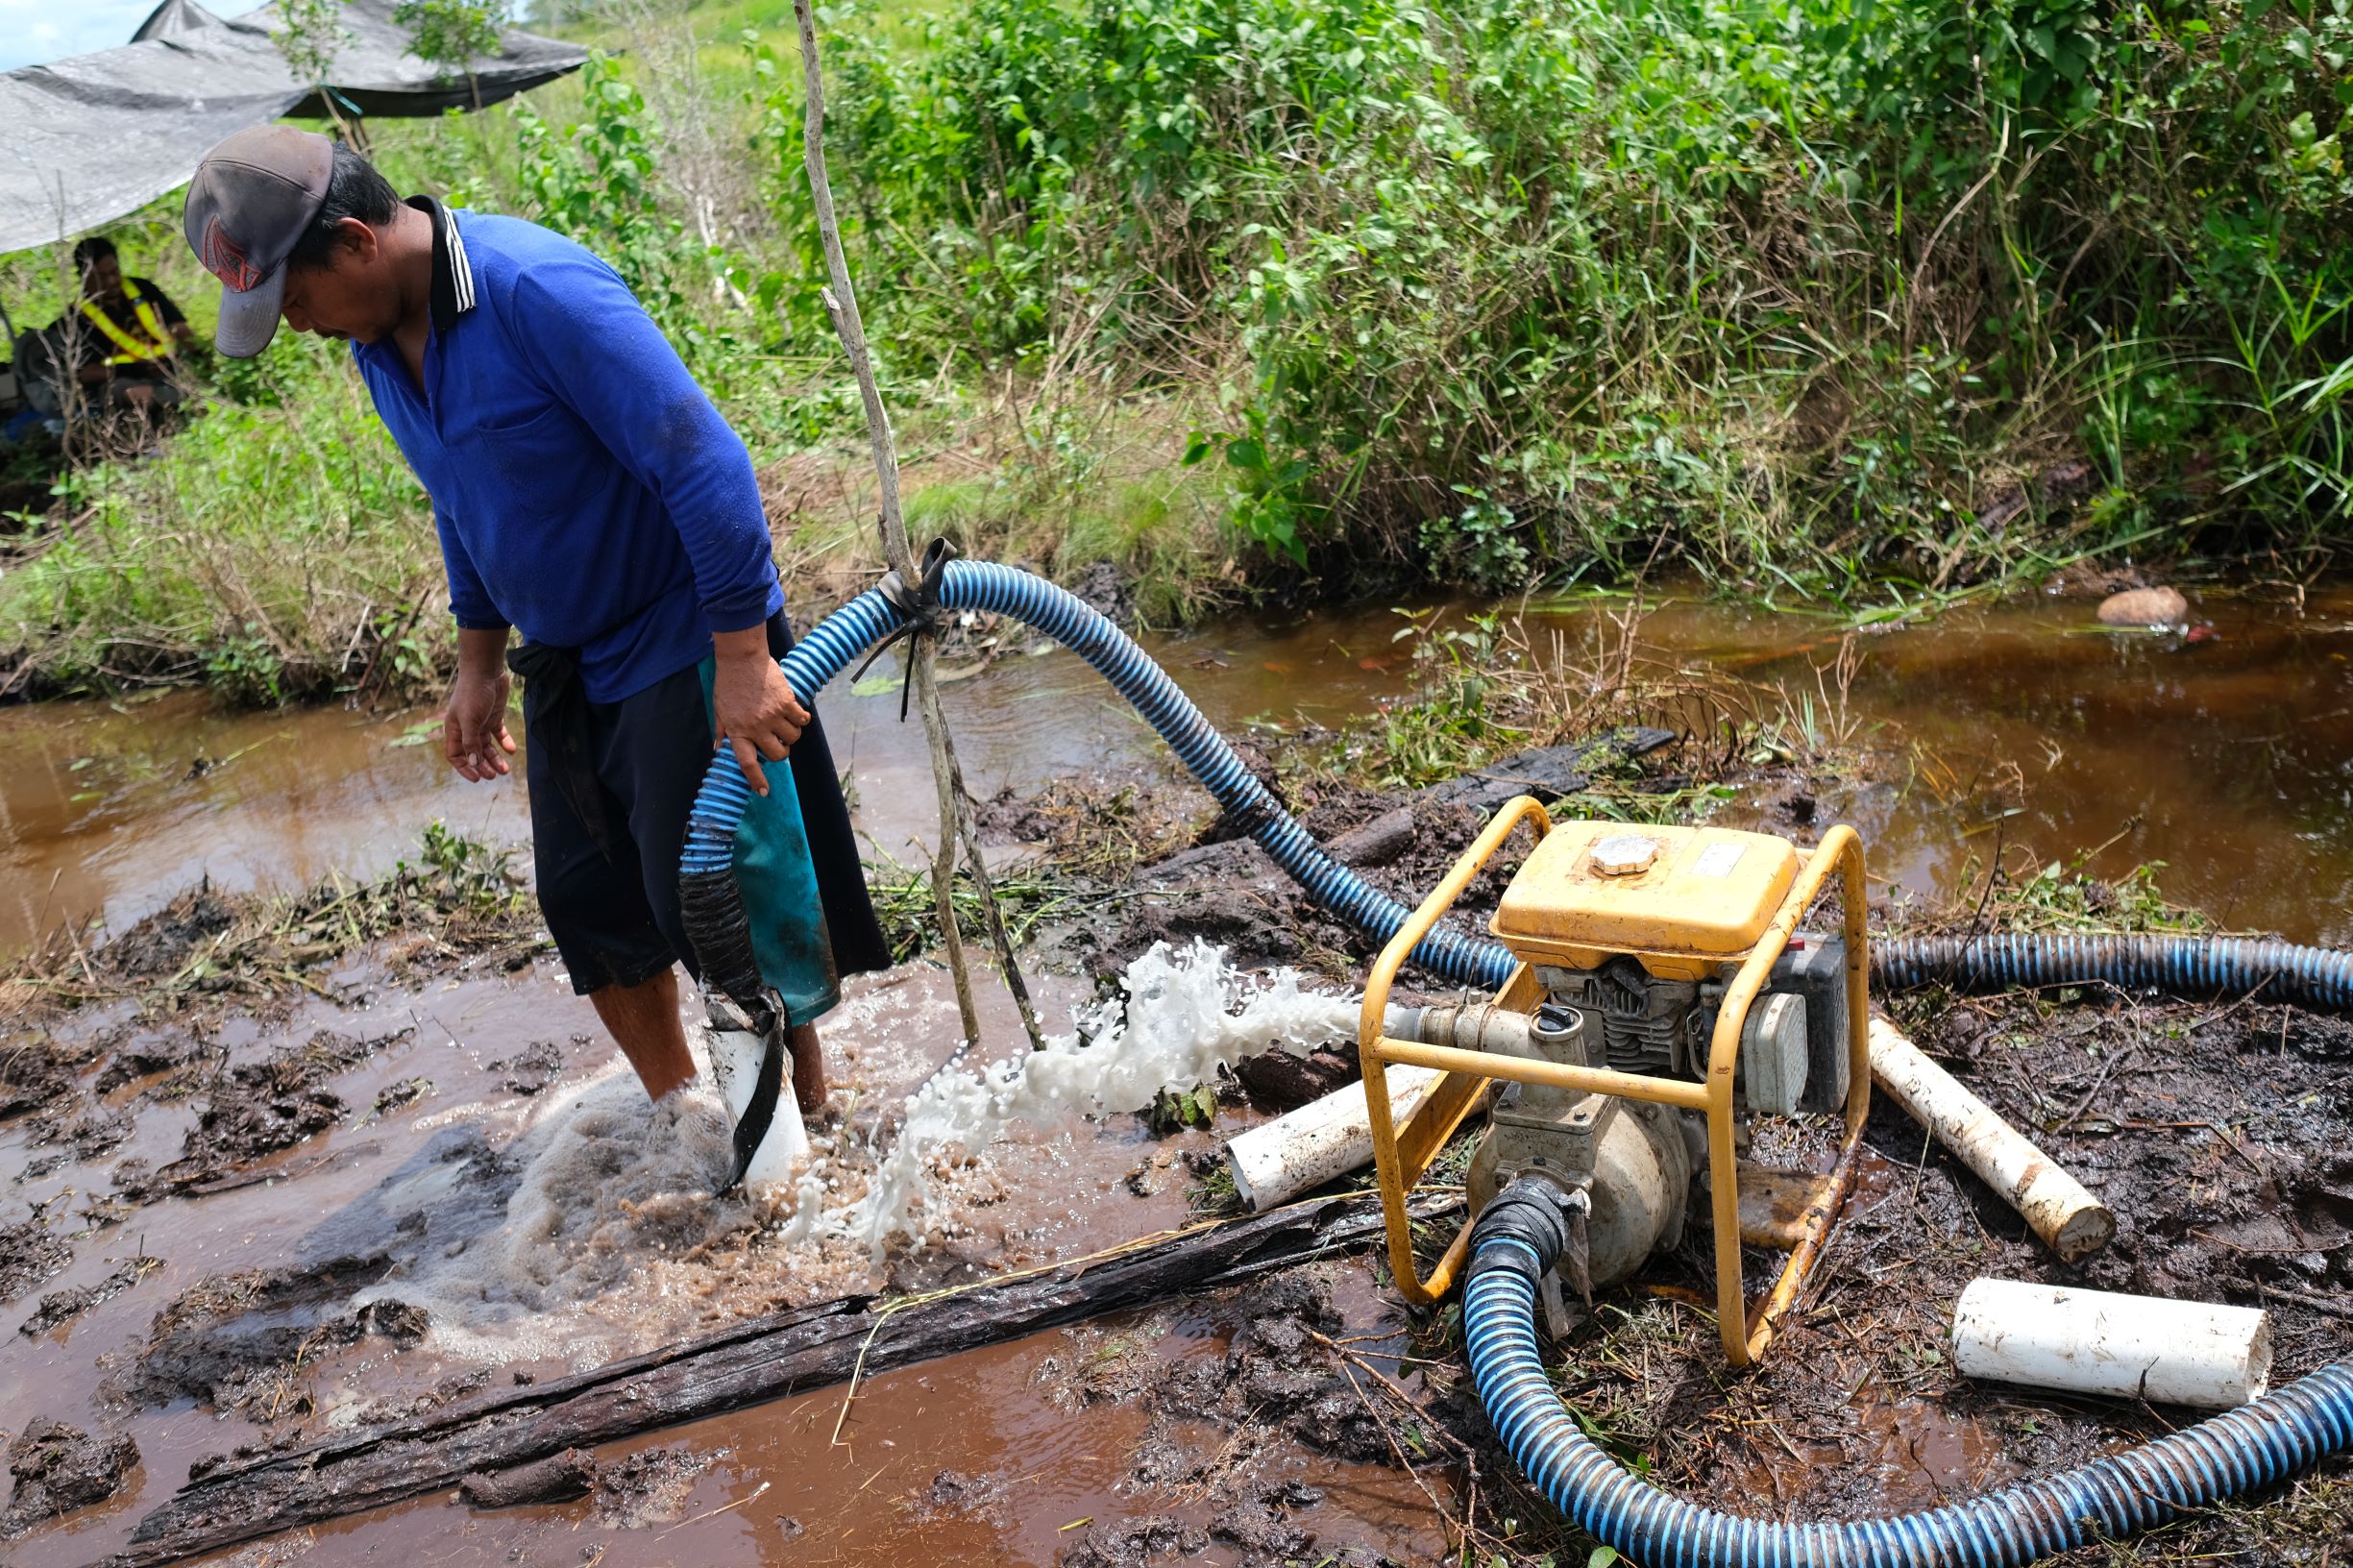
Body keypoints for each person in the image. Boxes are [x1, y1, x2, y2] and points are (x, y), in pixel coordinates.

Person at [179, 125, 890, 1117]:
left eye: (294, 300)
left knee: (717, 891)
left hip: (677, 630)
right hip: (563, 654)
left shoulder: (533, 292)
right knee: (587, 903)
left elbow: (703, 462)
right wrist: (478, 663)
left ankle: (808, 1120)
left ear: (353, 242)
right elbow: (460, 494)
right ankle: (685, 1117)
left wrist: (741, 658)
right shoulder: (379, 343)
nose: (298, 326)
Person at [22, 236, 199, 423]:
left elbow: (179, 328)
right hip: (123, 382)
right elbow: (84, 374)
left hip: (170, 366)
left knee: (190, 374)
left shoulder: (142, 288)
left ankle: (181, 398)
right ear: (84, 277)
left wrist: (199, 356)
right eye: (102, 277)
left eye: (115, 272)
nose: (112, 281)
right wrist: (130, 370)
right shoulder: (74, 319)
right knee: (132, 393)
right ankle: (175, 401)